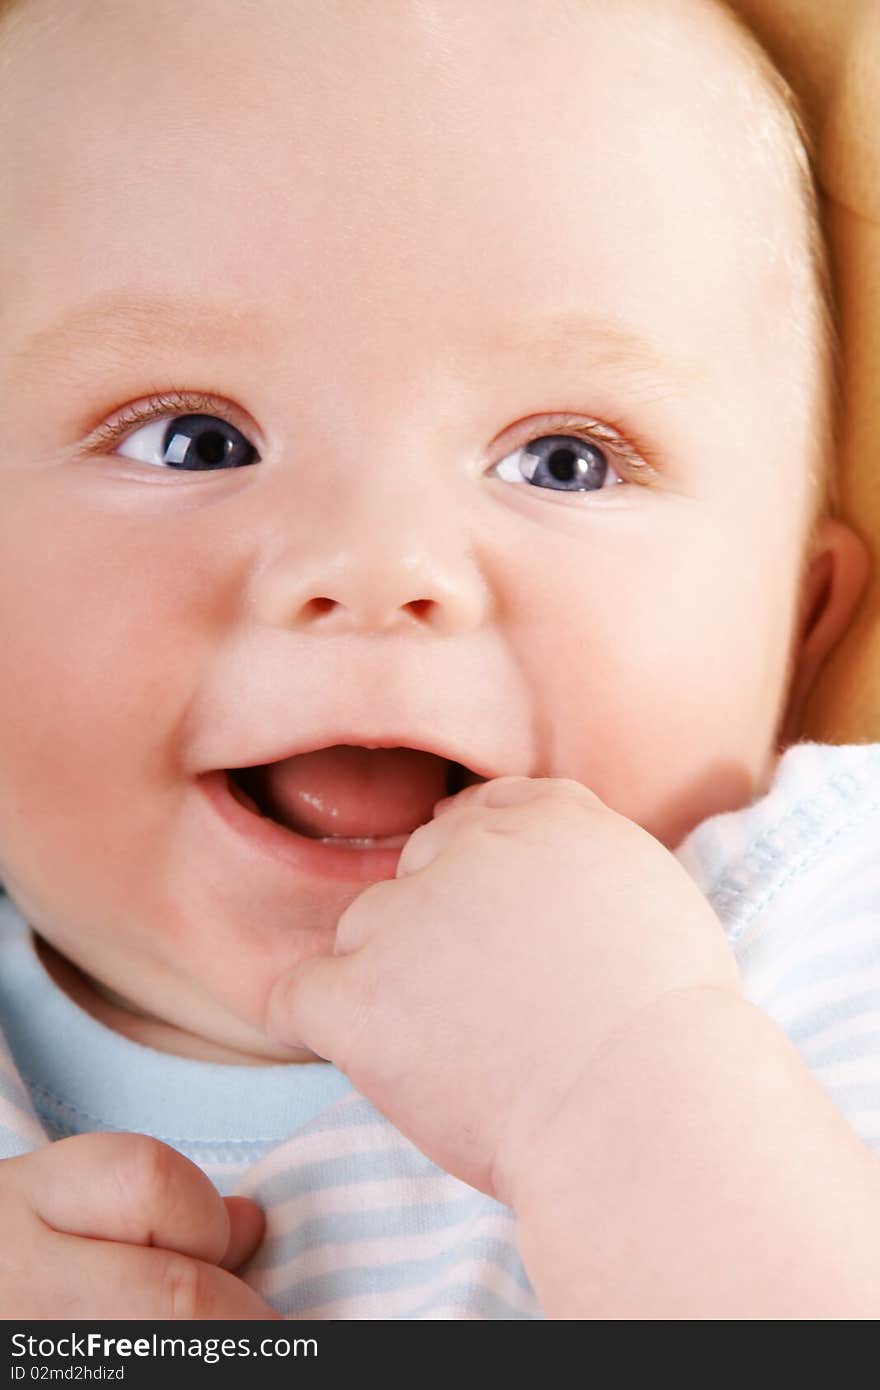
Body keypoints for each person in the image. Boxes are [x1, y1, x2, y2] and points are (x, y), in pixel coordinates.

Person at [0, 0, 877, 1319]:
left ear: (797, 621)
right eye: (190, 439)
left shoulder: (816, 926)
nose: (373, 560)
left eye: (562, 461)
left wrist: (629, 1081)